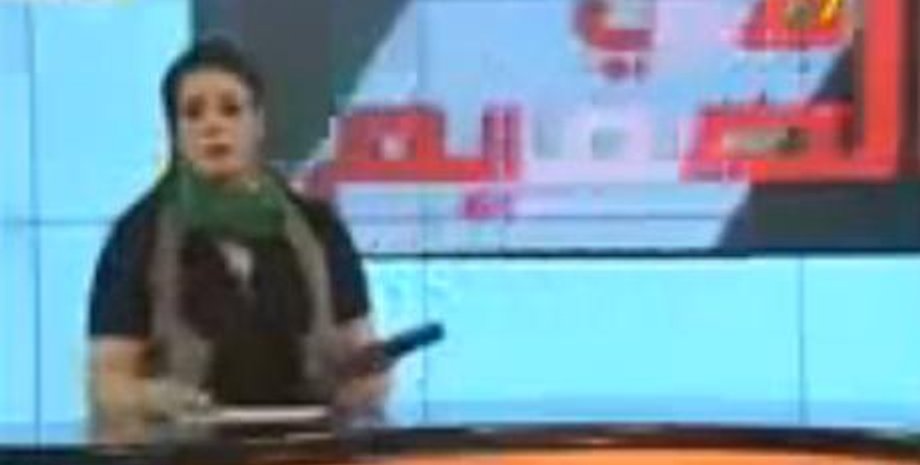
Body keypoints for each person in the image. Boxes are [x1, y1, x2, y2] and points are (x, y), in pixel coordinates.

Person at [87, 37, 388, 442]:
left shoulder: (319, 227)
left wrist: (364, 384)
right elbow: (107, 386)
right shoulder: (137, 235)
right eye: (193, 113)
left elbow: (363, 357)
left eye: (230, 110)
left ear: (258, 123)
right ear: (175, 132)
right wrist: (156, 398)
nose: (213, 126)